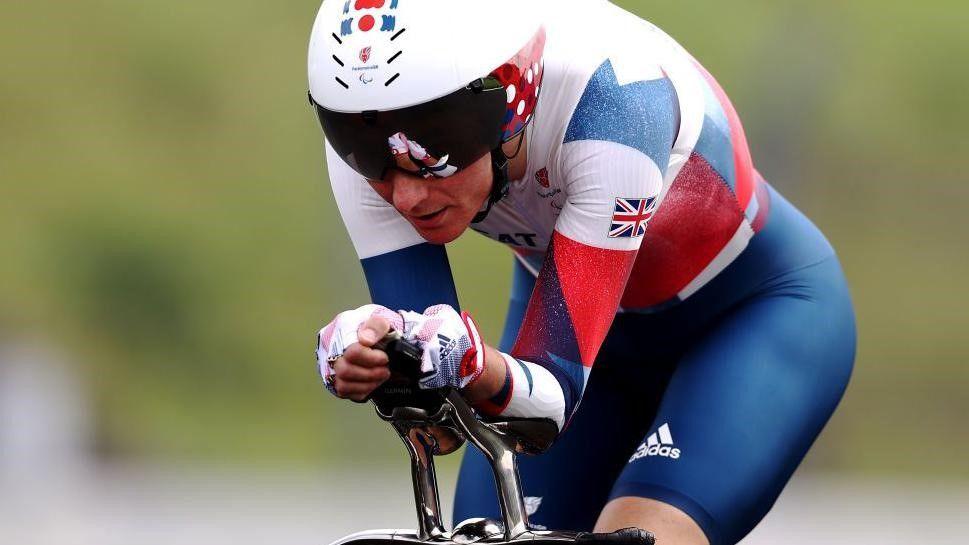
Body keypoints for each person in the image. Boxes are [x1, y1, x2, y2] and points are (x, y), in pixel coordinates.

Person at [307, 1, 856, 544]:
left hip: (750, 318)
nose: (403, 192)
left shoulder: (617, 104)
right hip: (580, 327)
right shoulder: (376, 130)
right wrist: (386, 363)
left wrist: (465, 362)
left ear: (509, 100)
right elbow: (444, 428)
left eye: (430, 151)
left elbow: (545, 407)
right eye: (361, 152)